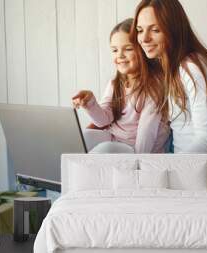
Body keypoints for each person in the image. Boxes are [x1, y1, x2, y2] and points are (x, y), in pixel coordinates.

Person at [132, 0, 207, 196]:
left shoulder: (192, 66)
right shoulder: (172, 69)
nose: (144, 38)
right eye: (140, 30)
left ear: (173, 29)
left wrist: (166, 168)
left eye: (155, 30)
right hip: (193, 169)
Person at [72, 18, 169, 153]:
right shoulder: (115, 84)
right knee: (84, 138)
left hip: (138, 149)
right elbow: (103, 120)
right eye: (114, 50)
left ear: (143, 50)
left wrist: (138, 161)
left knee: (104, 150)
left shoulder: (154, 87)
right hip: (115, 139)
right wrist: (90, 103)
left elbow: (147, 131)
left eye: (128, 49)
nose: (120, 55)